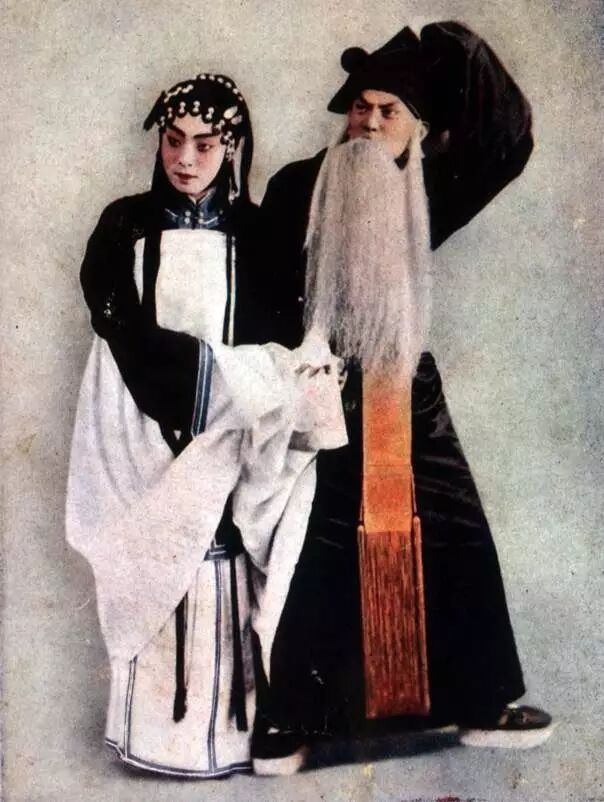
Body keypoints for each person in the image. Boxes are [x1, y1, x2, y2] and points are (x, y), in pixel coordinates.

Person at [255, 20, 553, 768]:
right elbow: (257, 295)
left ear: (418, 128)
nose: (369, 122)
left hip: (401, 382)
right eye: (361, 107)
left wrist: (452, 46)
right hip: (318, 388)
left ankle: (481, 699)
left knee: (453, 523)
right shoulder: (296, 187)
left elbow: (509, 137)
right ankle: (287, 721)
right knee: (313, 543)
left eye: (390, 111)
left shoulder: (432, 185)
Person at [66, 71, 346, 778]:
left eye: (204, 144)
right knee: (156, 557)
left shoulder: (260, 233)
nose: (185, 159)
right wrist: (175, 403)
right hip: (140, 426)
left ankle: (230, 734)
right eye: (173, 140)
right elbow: (115, 325)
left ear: (234, 148)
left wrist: (244, 396)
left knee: (224, 563)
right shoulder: (125, 225)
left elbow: (283, 333)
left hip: (230, 435)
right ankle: (153, 735)